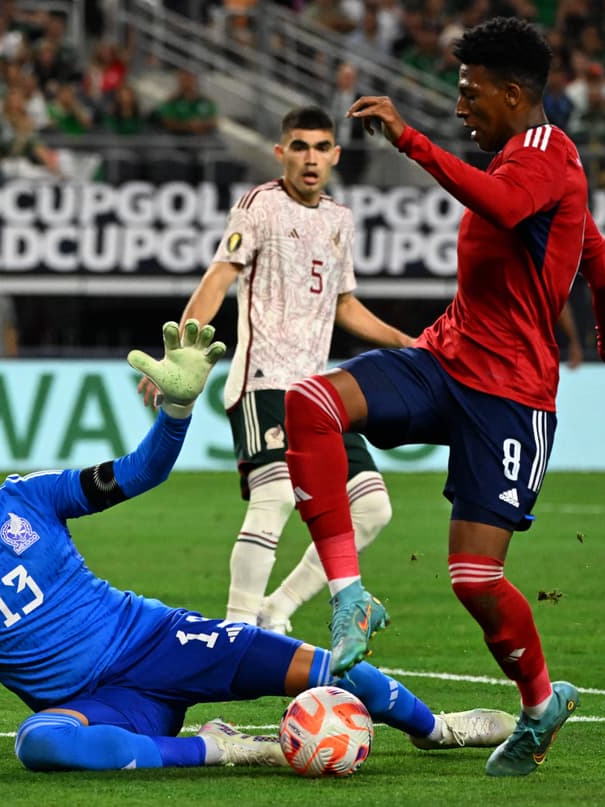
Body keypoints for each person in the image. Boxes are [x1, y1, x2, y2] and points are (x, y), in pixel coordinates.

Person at [0, 321, 514, 773]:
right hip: (104, 702)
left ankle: (436, 726)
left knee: (316, 662)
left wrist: (174, 412)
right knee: (41, 743)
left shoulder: (30, 495)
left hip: (155, 638)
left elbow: (140, 473)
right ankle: (214, 749)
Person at [283, 17, 605, 777]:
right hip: (444, 360)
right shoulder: (534, 165)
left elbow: (510, 211)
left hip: (511, 398)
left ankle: (541, 701)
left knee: (474, 579)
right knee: (313, 403)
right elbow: (604, 276)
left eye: (470, 92)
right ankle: (350, 594)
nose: (461, 107)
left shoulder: (548, 159)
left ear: (514, 94)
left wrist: (411, 139)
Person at [145, 106, 414, 634]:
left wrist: (406, 341)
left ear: (335, 155)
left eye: (320, 148)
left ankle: (277, 608)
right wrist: (178, 355)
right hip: (263, 381)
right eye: (299, 147)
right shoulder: (258, 207)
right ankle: (235, 629)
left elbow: (345, 305)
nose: (310, 159)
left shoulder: (340, 219)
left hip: (319, 393)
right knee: (276, 497)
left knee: (373, 509)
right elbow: (219, 278)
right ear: (281, 153)